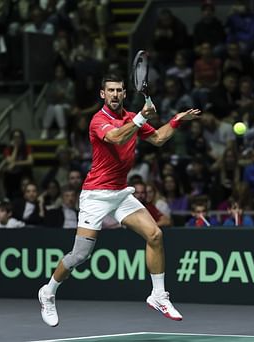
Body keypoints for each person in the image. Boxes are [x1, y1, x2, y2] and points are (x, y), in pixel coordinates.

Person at [38, 74, 201, 326]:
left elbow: (157, 138)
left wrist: (176, 120)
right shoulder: (98, 120)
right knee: (80, 255)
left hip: (120, 192)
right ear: (103, 94)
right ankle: (48, 292)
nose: (115, 94)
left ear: (125, 94)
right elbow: (116, 138)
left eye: (119, 90)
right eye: (110, 91)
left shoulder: (131, 117)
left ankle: (158, 295)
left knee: (155, 235)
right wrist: (141, 117)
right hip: (96, 194)